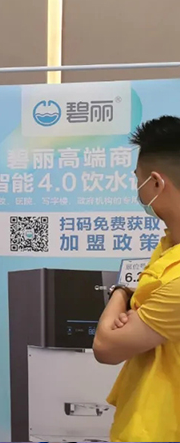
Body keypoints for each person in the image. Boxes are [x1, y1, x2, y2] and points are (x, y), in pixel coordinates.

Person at [93, 116, 180, 442]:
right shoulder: (169, 244)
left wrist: (120, 293)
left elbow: (107, 347)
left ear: (156, 183)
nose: (138, 189)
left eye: (138, 180)